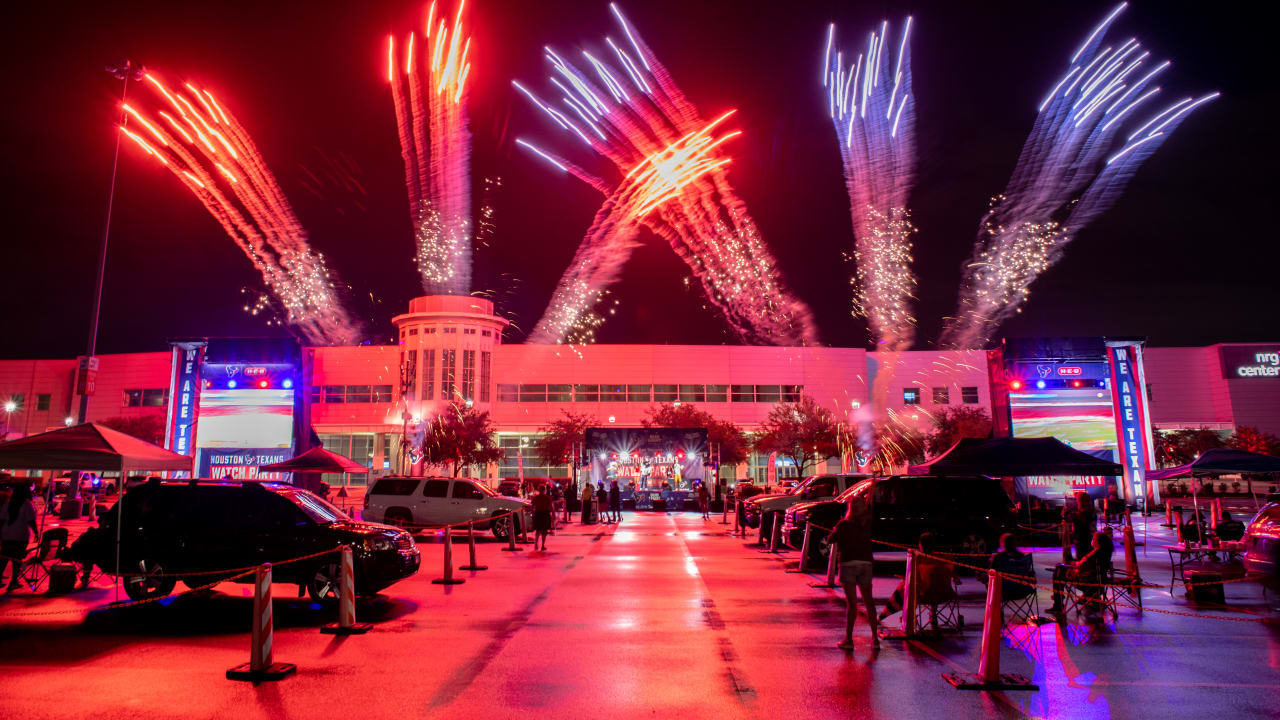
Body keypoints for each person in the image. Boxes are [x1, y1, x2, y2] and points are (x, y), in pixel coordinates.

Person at [830, 496, 879, 649]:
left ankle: (849, 640)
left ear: (850, 508)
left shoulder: (844, 524)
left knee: (852, 604)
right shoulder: (867, 524)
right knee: (869, 602)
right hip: (865, 563)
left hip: (848, 563)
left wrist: (835, 530)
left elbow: (831, 539)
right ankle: (875, 639)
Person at [878, 533, 954, 623]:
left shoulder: (918, 559)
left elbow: (915, 579)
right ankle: (933, 614)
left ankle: (906, 616)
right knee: (934, 583)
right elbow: (955, 577)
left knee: (906, 586)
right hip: (946, 594)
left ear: (921, 545)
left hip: (925, 596)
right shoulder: (944, 558)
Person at [1049, 530, 1114, 613]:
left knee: (1058, 571)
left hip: (1087, 582)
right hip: (1099, 581)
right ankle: (1059, 601)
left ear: (1097, 542)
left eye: (1093, 538)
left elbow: (1083, 569)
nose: (1092, 540)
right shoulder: (1103, 553)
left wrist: (1072, 567)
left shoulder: (1095, 555)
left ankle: (1058, 604)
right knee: (1060, 569)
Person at [1, 484, 38, 592]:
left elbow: (1, 520)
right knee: (17, 560)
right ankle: (13, 582)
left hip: (6, 535)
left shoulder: (8, 504)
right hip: (20, 536)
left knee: (4, 557)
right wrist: (36, 533)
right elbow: (31, 521)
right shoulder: (27, 505)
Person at [984, 533, 1035, 601]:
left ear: (1002, 544)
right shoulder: (1023, 558)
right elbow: (1031, 575)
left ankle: (997, 608)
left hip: (1004, 591)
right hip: (1024, 590)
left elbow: (993, 574)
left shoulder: (998, 558)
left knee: (988, 579)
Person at [531, 485, 553, 551]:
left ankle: (536, 544)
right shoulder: (547, 498)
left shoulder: (535, 498)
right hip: (545, 514)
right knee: (544, 531)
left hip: (538, 513)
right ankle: (542, 545)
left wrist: (532, 514)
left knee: (538, 530)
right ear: (544, 490)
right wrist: (553, 515)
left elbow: (532, 506)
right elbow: (550, 507)